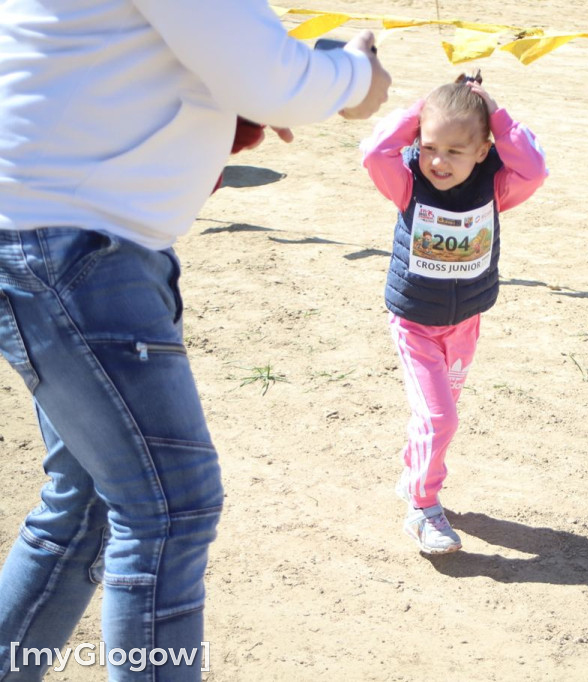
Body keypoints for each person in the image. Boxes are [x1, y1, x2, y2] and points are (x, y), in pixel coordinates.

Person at [0, 0, 390, 678]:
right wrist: (357, 78)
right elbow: (267, 76)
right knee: (168, 507)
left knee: (90, 498)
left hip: (61, 236)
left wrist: (218, 113)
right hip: (73, 245)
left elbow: (124, 60)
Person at [361, 73, 547, 555]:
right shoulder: (407, 182)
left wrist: (497, 115)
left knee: (437, 416)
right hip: (415, 323)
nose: (438, 161)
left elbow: (535, 170)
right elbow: (373, 153)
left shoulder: (497, 188)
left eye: (455, 151)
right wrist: (422, 107)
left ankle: (412, 475)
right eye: (429, 147)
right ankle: (423, 508)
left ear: (484, 151)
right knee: (440, 418)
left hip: (465, 323)